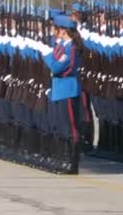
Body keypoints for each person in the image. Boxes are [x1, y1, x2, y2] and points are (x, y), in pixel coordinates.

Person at [42, 15, 83, 174]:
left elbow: (57, 68)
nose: (54, 31)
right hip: (58, 89)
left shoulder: (71, 48)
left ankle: (72, 164)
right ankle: (62, 159)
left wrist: (46, 56)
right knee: (59, 126)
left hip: (68, 89)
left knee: (70, 128)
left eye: (56, 28)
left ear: (64, 30)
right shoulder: (62, 46)